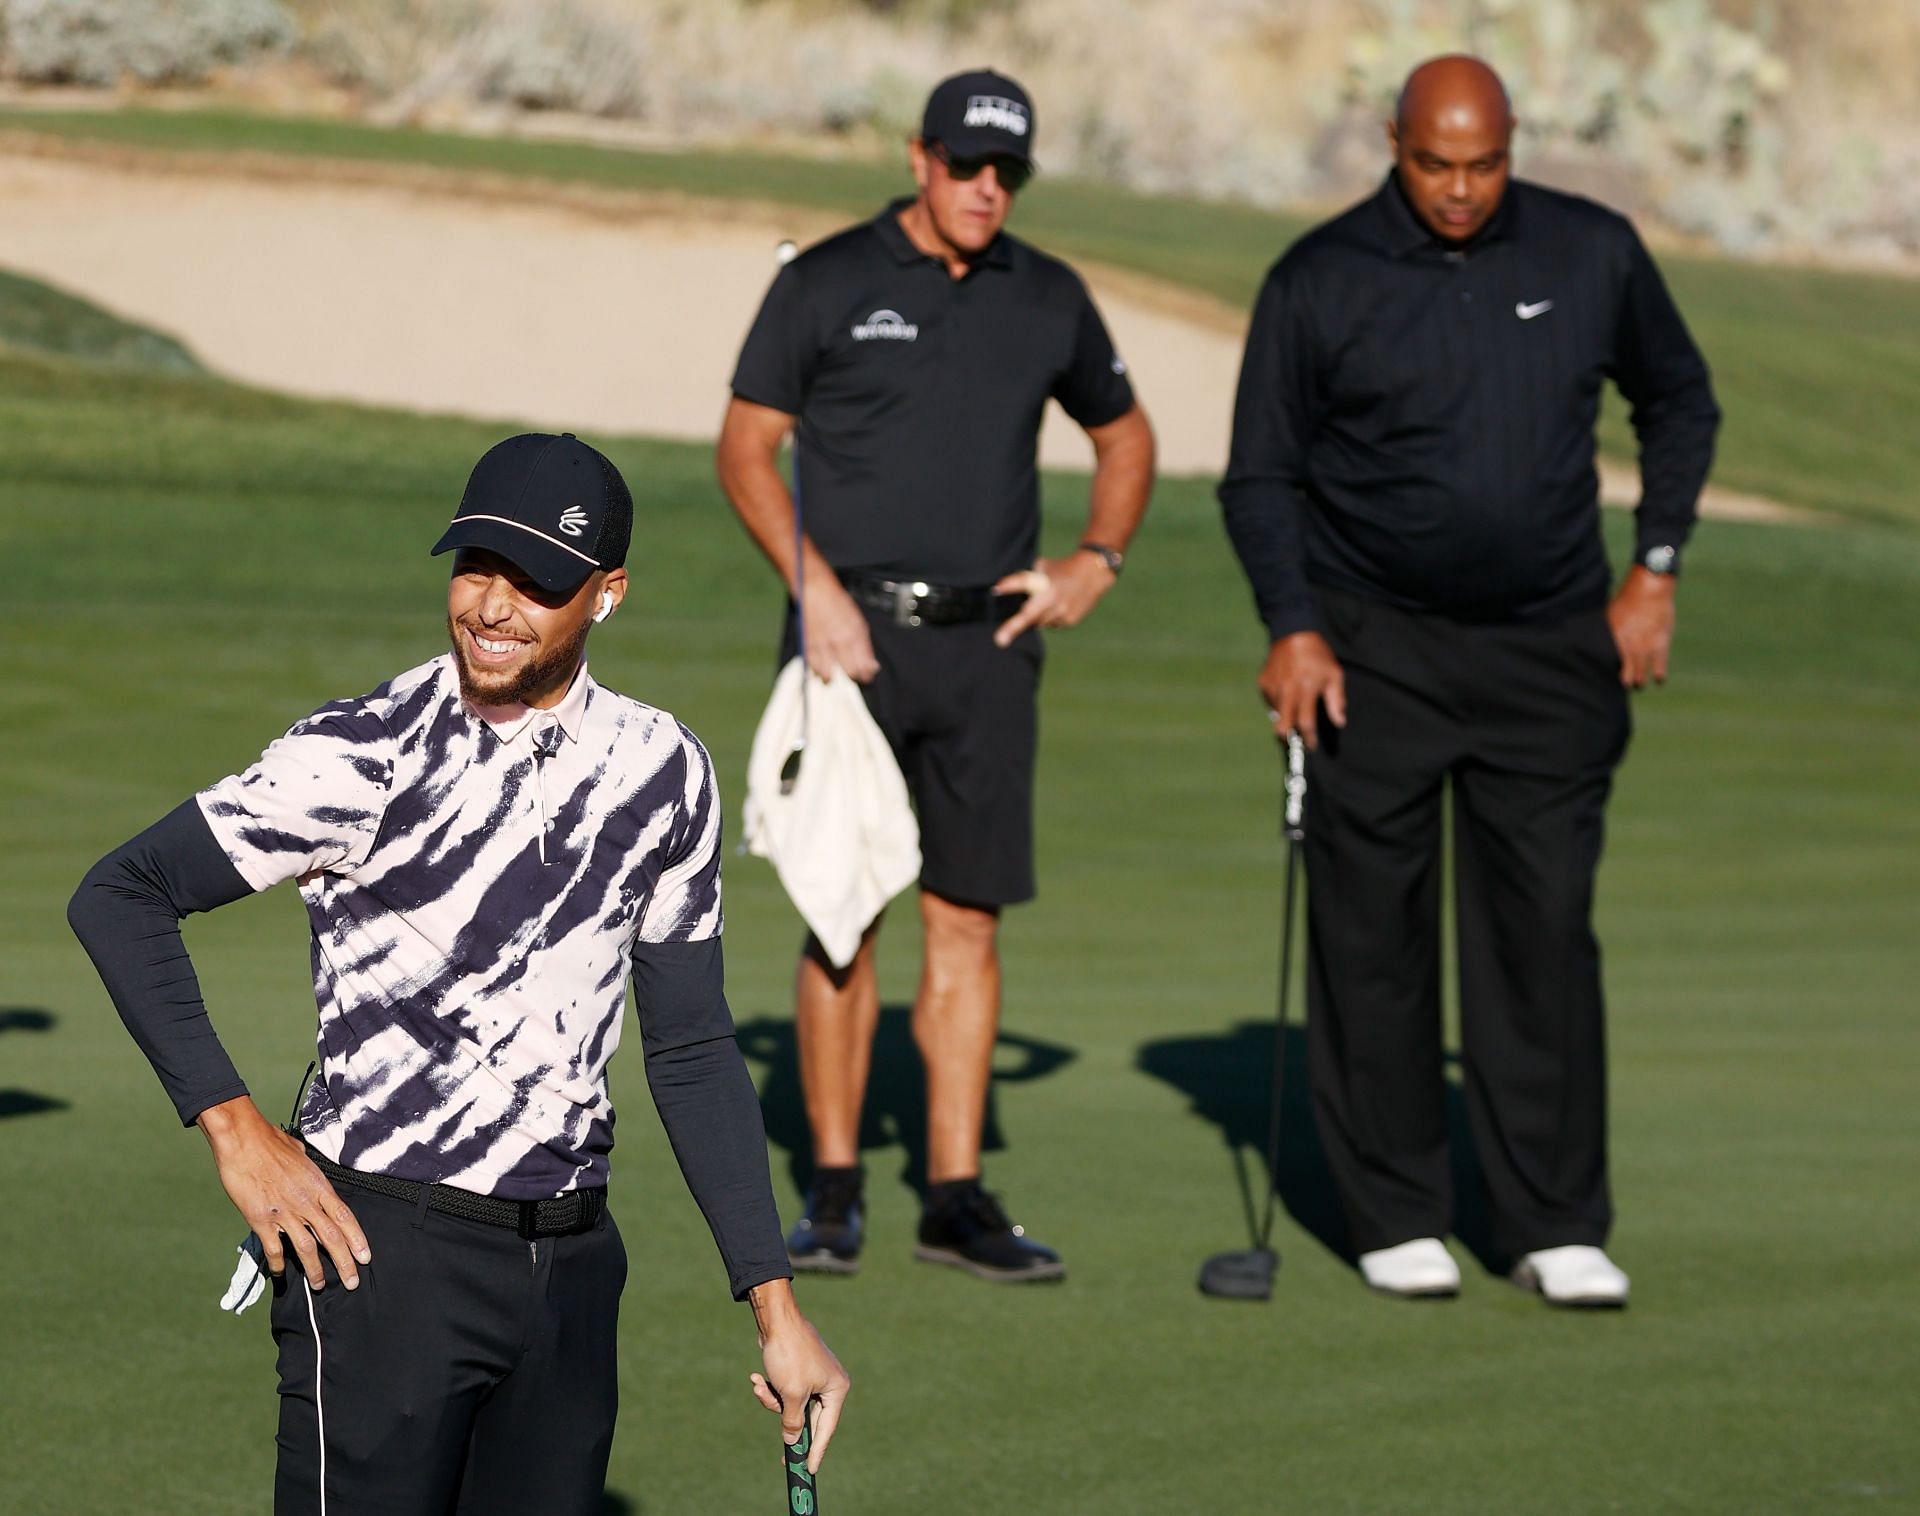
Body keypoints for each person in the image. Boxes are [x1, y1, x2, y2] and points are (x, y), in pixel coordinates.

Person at [68, 433, 848, 1512]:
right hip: (385, 1257)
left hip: (574, 1270)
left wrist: (777, 1307)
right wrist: (237, 1132)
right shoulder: (364, 751)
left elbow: (689, 1042)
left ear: (607, 595)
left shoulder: (664, 770)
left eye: (537, 581)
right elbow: (120, 894)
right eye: (477, 564)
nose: (492, 604)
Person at [1219, 56, 1720, 1305]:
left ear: (1513, 145)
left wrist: (1653, 570)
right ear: (1395, 142)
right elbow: (1261, 474)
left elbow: (1681, 401)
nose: (1459, 188)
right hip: (1369, 647)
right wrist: (1291, 626)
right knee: (1372, 936)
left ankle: (1553, 1220)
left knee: (1540, 932)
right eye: (1435, 163)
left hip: (1551, 647)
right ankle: (1397, 1211)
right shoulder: (1320, 277)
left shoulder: (1590, 251)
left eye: (1484, 164)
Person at [717, 69, 1155, 1282]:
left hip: (992, 645)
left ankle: (954, 1194)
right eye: (967, 164)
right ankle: (836, 1191)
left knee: (966, 917)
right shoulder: (828, 280)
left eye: (1006, 171)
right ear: (919, 157)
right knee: (841, 910)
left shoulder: (1047, 296)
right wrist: (810, 587)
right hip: (844, 642)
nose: (985, 189)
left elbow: (1125, 436)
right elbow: (747, 448)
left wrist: (1095, 560)